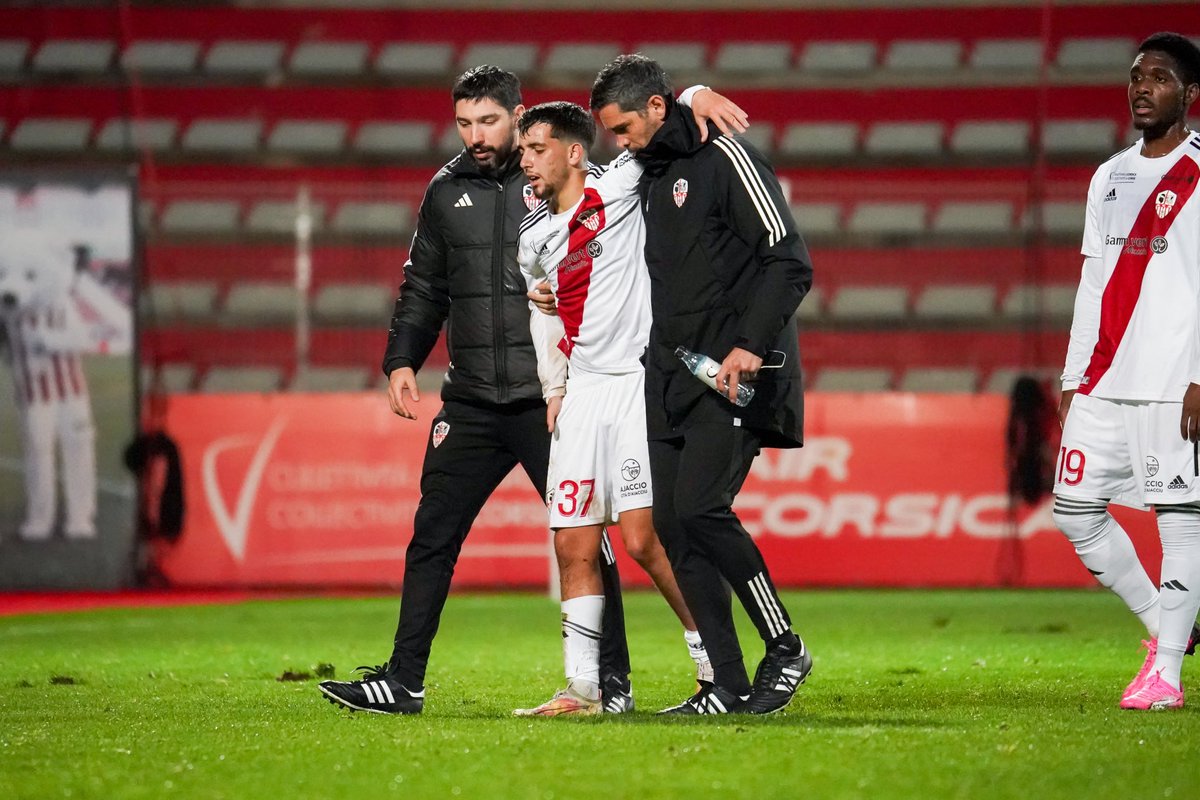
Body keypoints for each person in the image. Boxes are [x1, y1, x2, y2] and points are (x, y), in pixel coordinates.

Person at [318, 66, 746, 716]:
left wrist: (691, 96)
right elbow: (437, 287)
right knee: (475, 536)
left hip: (601, 391)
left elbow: (653, 141)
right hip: (497, 398)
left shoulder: (606, 187)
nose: (479, 137)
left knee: (636, 540)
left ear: (529, 125)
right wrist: (406, 359)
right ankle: (430, 682)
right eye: (464, 123)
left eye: (492, 123)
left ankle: (681, 674)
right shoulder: (467, 202)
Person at [589, 55, 814, 715]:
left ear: (656, 109)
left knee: (700, 508)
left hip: (733, 373)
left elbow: (789, 260)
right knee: (671, 524)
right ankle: (727, 682)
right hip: (668, 375)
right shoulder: (648, 170)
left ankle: (786, 647)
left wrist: (750, 345)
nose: (620, 143)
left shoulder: (727, 158)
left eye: (625, 128)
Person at [510, 97, 735, 717]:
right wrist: (553, 387)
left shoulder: (619, 185)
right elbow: (542, 311)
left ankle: (717, 668)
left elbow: (659, 121)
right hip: (582, 393)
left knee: (644, 540)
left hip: (637, 384)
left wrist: (694, 94)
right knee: (572, 544)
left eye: (537, 149)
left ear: (574, 152)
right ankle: (584, 689)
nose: (525, 160)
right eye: (523, 150)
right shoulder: (532, 234)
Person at [1053, 32, 1200, 711]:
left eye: (1160, 78)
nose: (1143, 87)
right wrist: (1072, 375)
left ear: (1190, 95)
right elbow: (1093, 281)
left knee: (1180, 518)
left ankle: (1166, 674)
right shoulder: (1108, 175)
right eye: (1137, 76)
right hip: (1105, 378)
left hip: (1175, 380)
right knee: (1074, 510)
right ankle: (1169, 626)